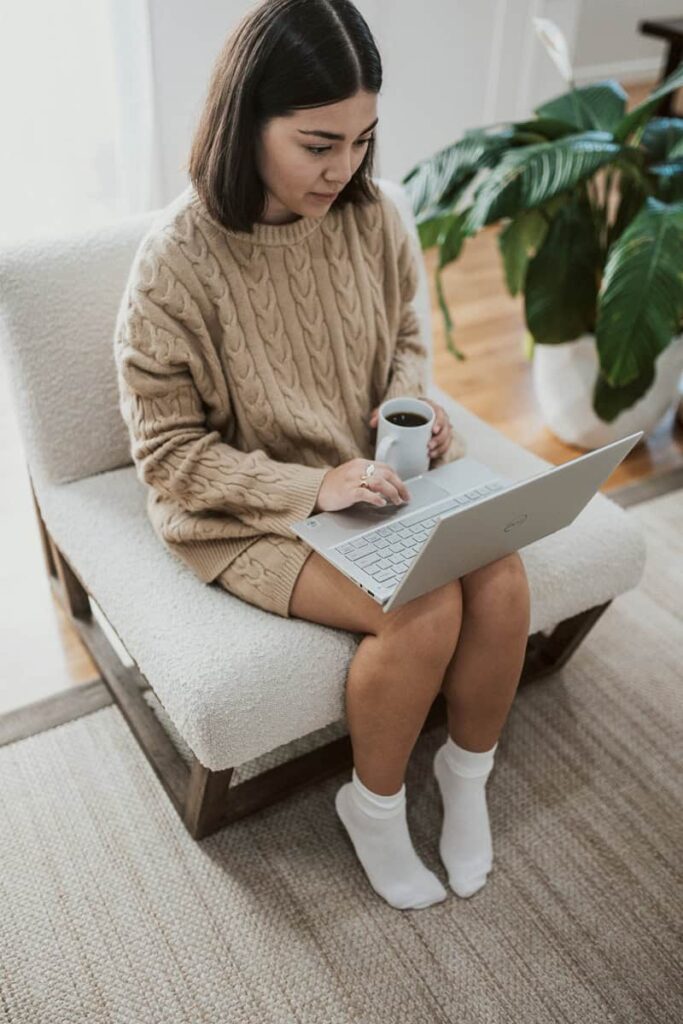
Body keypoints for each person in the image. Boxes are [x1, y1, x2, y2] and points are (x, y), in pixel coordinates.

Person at [114, 0, 531, 911]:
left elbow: (405, 332)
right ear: (245, 121)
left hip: (368, 478)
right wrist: (315, 485)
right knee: (420, 610)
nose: (343, 167)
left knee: (500, 575)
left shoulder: (370, 214)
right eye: (317, 144)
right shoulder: (173, 266)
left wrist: (407, 402)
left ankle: (465, 779)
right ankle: (373, 807)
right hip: (243, 512)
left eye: (362, 139)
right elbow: (169, 457)